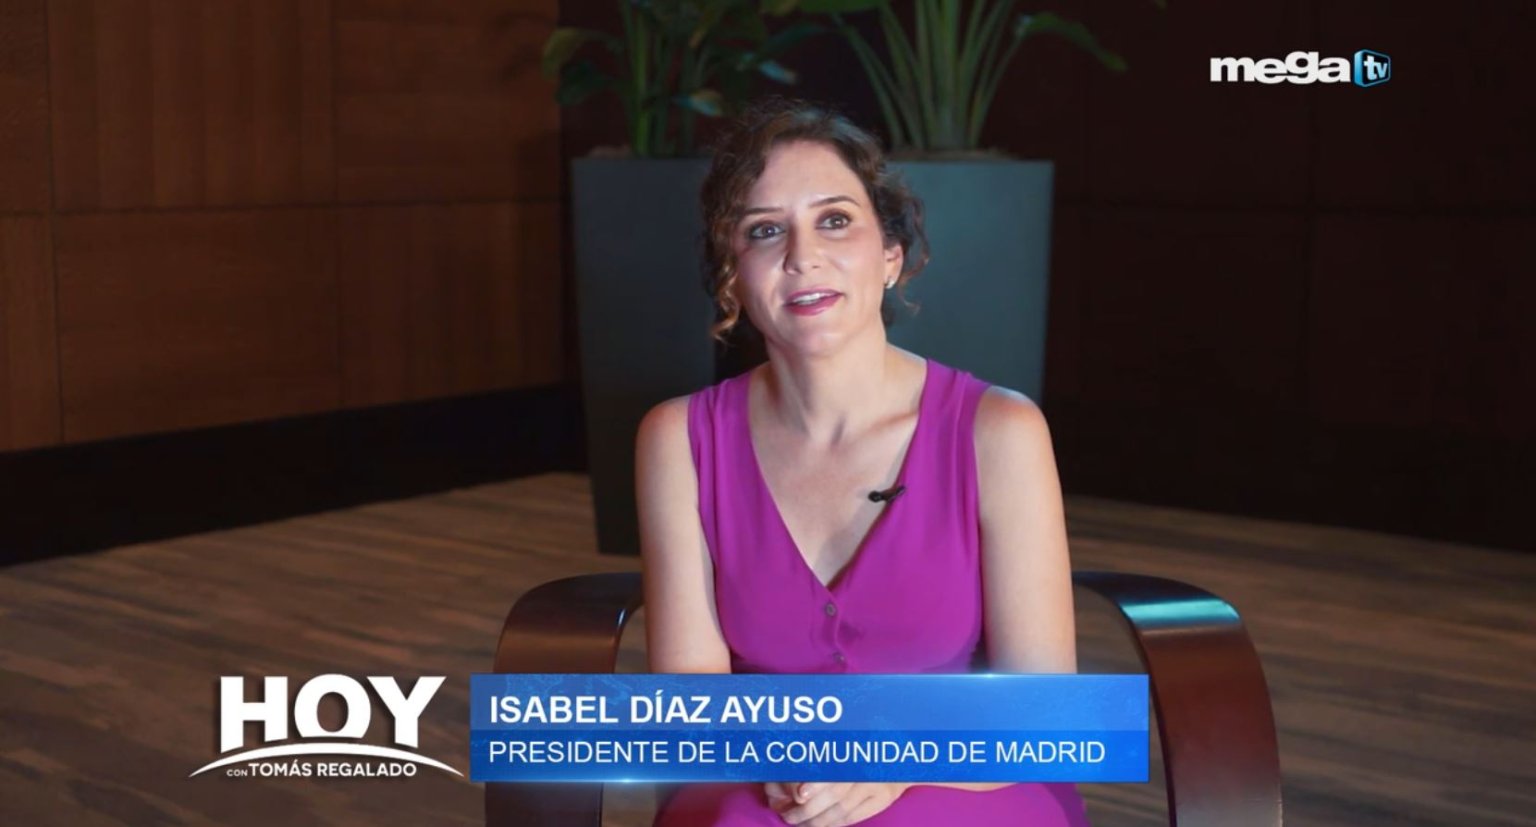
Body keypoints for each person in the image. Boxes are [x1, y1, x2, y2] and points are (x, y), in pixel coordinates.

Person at [635, 95, 1092, 827]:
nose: (802, 256)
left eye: (835, 220)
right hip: (766, 778)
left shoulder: (999, 431)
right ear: (733, 277)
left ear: (890, 255)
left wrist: (892, 762)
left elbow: (1043, 713)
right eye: (764, 230)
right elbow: (691, 709)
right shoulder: (676, 439)